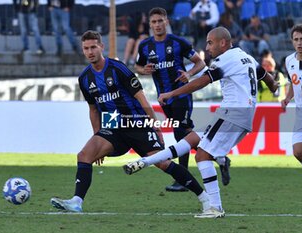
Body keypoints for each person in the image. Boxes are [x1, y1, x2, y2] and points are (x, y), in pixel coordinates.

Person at [50, 30, 211, 214]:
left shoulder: (118, 69)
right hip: (112, 126)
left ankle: (205, 198)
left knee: (163, 163)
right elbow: (93, 109)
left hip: (136, 123)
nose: (90, 52)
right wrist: (98, 136)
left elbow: (141, 98)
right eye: (86, 48)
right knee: (84, 155)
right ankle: (76, 202)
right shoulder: (85, 79)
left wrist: (155, 125)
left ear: (101, 47)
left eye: (93, 47)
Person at [124, 27, 278, 218]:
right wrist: (274, 88)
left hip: (232, 113)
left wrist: (172, 93)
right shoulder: (246, 56)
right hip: (240, 115)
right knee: (192, 138)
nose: (207, 47)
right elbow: (267, 77)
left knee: (202, 156)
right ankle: (145, 161)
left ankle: (214, 207)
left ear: (223, 43)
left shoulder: (225, 59)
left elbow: (202, 82)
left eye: (210, 42)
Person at [135, 7, 230, 192]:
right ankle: (220, 158)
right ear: (150, 24)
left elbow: (201, 62)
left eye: (160, 21)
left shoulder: (178, 42)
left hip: (182, 94)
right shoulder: (145, 46)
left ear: (167, 22)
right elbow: (138, 66)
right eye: (154, 22)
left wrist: (189, 74)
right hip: (164, 97)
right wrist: (143, 70)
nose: (157, 25)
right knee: (185, 134)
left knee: (180, 132)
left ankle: (183, 179)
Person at [281, 24, 302, 168]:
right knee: (298, 152)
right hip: (300, 113)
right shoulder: (289, 60)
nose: (299, 42)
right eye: (296, 39)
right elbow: (293, 81)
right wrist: (287, 98)